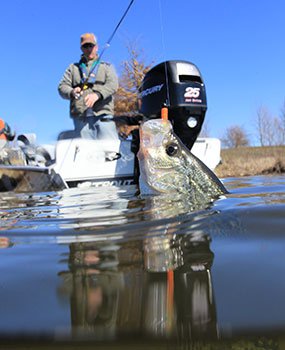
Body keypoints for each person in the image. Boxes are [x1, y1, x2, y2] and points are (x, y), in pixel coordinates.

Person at [58, 33, 119, 140]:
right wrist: (72, 91)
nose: (88, 49)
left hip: (103, 115)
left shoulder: (107, 67)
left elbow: (113, 85)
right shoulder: (73, 68)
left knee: (110, 151)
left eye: (91, 45)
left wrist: (98, 95)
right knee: (86, 152)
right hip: (81, 117)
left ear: (96, 47)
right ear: (81, 48)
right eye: (85, 46)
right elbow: (62, 86)